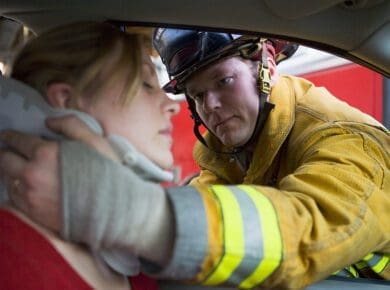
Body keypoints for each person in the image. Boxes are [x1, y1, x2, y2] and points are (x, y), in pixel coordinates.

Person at [0, 27, 389, 290]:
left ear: (267, 64)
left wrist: (132, 212)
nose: (210, 106)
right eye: (197, 95)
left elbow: (310, 225)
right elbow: (213, 206)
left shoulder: (344, 138)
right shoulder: (232, 153)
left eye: (223, 81)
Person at [0, 21, 181, 289]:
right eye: (145, 84)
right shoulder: (8, 255)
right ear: (67, 101)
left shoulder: (135, 256)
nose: (171, 105)